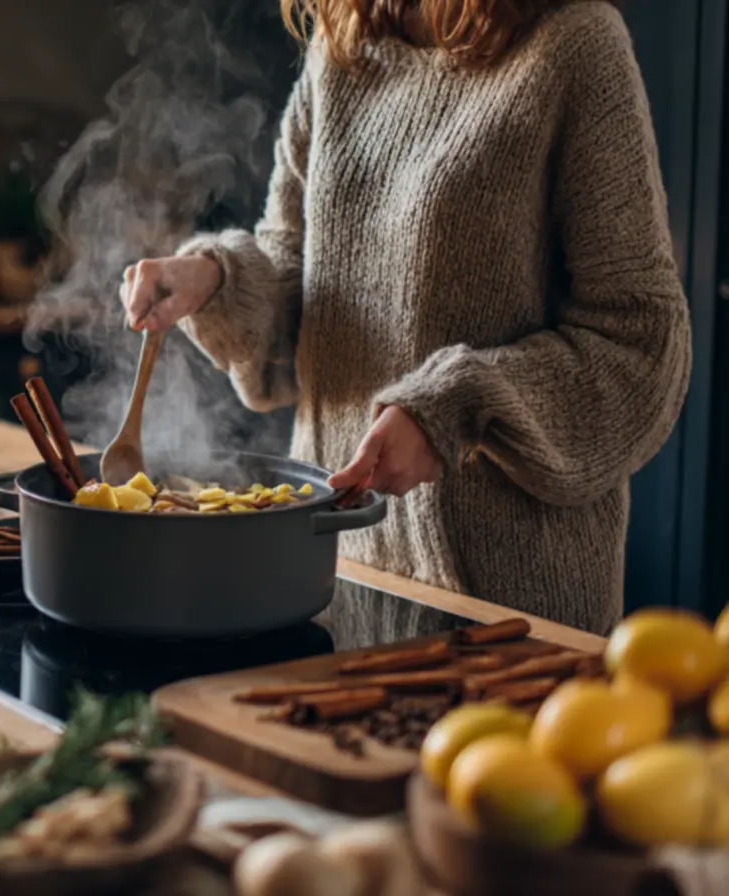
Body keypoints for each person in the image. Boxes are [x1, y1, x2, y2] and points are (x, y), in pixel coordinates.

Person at [119, 0, 691, 637]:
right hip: (334, 575)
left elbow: (639, 342)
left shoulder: (575, 44)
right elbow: (301, 274)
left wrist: (453, 409)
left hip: (505, 609)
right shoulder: (342, 44)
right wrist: (218, 280)